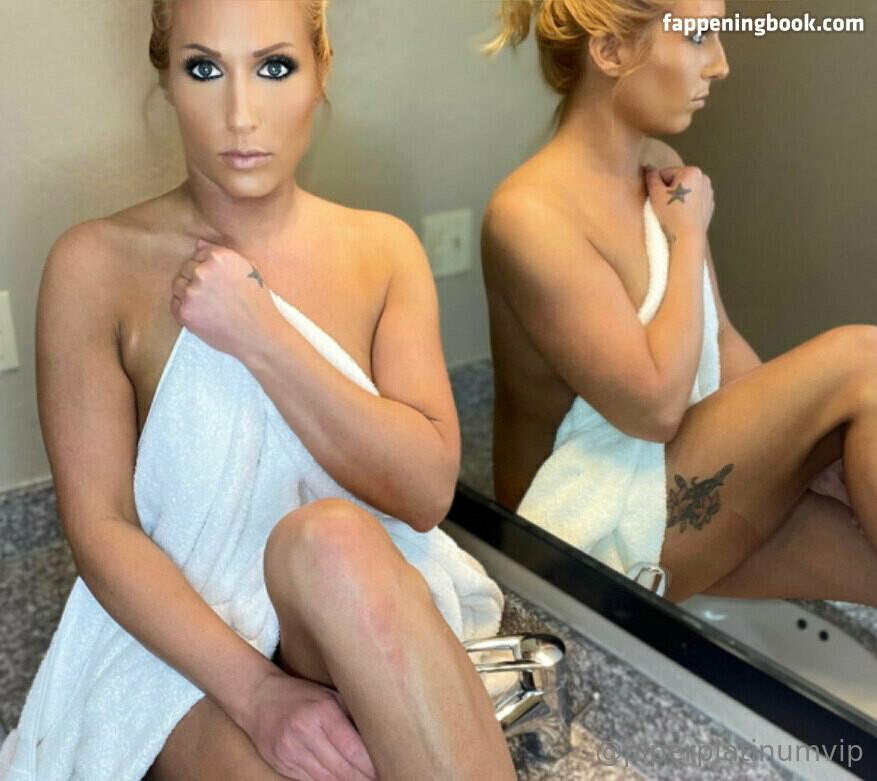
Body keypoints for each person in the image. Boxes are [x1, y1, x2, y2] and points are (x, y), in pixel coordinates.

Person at [0, 1, 517, 779]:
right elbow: (101, 529)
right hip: (181, 645)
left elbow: (423, 494)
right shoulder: (93, 267)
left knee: (331, 538)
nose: (241, 114)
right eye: (204, 68)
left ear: (320, 70)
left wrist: (260, 334)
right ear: (166, 80)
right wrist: (259, 692)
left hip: (354, 608)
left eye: (274, 66)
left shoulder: (384, 251)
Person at [480, 0, 877, 605]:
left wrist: (803, 443)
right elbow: (655, 411)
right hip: (578, 528)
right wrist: (687, 236)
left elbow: (719, 340)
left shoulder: (661, 168)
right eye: (698, 37)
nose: (719, 64)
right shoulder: (529, 216)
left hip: (672, 471)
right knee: (863, 358)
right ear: (610, 51)